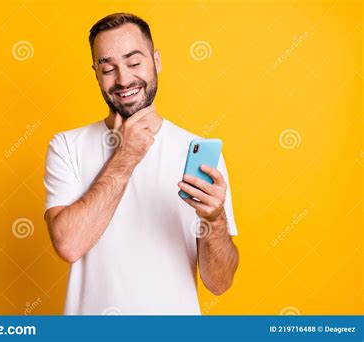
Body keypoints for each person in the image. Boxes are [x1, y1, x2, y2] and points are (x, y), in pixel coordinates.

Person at [43, 12, 239, 315]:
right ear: (96, 74)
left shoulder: (195, 152)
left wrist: (214, 220)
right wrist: (127, 155)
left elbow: (219, 283)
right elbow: (69, 245)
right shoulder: (67, 146)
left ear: (156, 61)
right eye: (108, 68)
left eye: (134, 63)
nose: (123, 79)